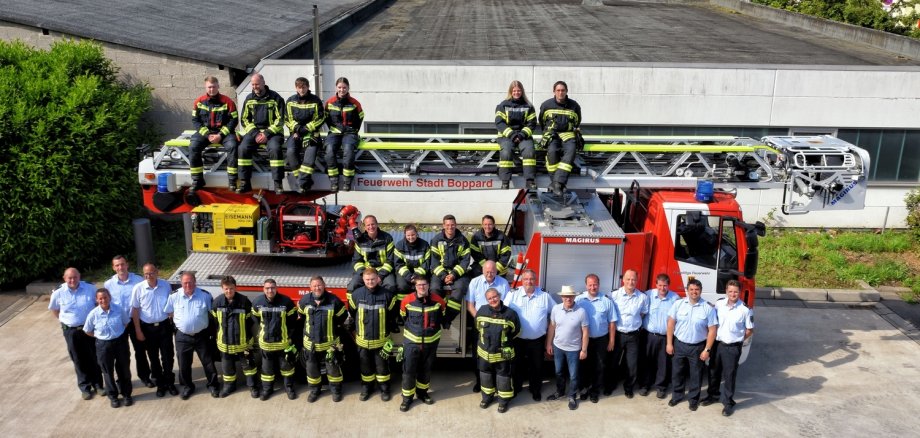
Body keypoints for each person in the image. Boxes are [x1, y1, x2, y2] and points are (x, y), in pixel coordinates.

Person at [701, 280, 754, 417]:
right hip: (717, 345)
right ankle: (713, 395)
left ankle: (728, 402)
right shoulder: (719, 304)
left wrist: (737, 340)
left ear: (739, 292)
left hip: (732, 347)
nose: (733, 294)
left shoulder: (745, 309)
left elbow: (749, 329)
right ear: (726, 291)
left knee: (729, 376)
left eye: (735, 291)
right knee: (713, 371)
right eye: (730, 291)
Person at [49, 267, 102, 400]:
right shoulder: (58, 293)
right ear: (64, 278)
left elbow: (97, 305)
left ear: (79, 277)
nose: (72, 280)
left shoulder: (90, 288)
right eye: (69, 278)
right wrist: (65, 321)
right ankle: (85, 387)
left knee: (94, 356)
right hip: (71, 331)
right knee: (78, 359)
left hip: (89, 329)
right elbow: (55, 310)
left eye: (75, 277)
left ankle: (98, 384)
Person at [165, 271, 220, 400]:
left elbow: (212, 314)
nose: (188, 285)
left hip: (202, 335)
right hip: (182, 336)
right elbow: (169, 312)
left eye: (190, 282)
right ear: (181, 283)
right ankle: (188, 387)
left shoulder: (205, 295)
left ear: (195, 282)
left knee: (208, 362)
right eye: (185, 283)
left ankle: (213, 385)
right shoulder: (174, 296)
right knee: (184, 364)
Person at [347, 267, 398, 401]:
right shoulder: (356, 295)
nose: (370, 282)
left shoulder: (388, 295)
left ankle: (385, 389)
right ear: (363, 280)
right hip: (363, 342)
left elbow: (392, 314)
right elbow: (352, 312)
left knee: (382, 368)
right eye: (368, 279)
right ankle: (366, 388)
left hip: (381, 341)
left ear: (378, 279)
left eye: (373, 279)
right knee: (365, 367)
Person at [666, 278, 718, 412]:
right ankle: (677, 396)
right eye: (691, 289)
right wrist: (669, 343)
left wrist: (707, 349)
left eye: (697, 290)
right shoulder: (678, 304)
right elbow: (671, 324)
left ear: (700, 291)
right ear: (687, 291)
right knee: (677, 372)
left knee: (696, 375)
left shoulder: (708, 308)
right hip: (679, 344)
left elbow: (712, 330)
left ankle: (693, 400)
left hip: (697, 347)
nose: (694, 292)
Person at [505, 269, 554, 401]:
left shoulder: (544, 296)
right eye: (526, 279)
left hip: (537, 340)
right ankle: (516, 387)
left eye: (532, 279)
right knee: (516, 365)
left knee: (537, 366)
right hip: (517, 339)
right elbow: (503, 312)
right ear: (522, 280)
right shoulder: (512, 294)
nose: (529, 281)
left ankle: (535, 389)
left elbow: (555, 315)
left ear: (535, 280)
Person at [398, 277, 446, 412]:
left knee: (426, 370)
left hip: (431, 344)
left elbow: (442, 316)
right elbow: (403, 316)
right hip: (412, 343)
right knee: (409, 371)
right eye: (419, 285)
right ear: (415, 286)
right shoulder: (407, 301)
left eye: (424, 284)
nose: (422, 287)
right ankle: (407, 399)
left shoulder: (438, 301)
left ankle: (422, 393)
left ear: (428, 285)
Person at [130, 263, 178, 397]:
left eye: (151, 273)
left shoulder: (165, 285)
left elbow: (171, 305)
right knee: (153, 358)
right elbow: (135, 310)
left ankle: (170, 383)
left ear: (157, 272)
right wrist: (138, 330)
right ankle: (160, 385)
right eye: (146, 274)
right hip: (148, 329)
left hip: (164, 326)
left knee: (168, 356)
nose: (148, 276)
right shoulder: (138, 288)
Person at [103, 255, 150, 388]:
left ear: (127, 264)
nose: (120, 267)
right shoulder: (108, 284)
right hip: (119, 323)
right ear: (113, 268)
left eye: (122, 264)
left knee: (140, 350)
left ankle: (145, 376)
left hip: (136, 321)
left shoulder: (138, 280)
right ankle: (123, 380)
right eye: (117, 265)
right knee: (121, 354)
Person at [298, 276, 348, 403]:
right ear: (310, 287)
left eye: (319, 285)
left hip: (329, 344)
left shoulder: (334, 300)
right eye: (314, 286)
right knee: (312, 369)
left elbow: (342, 317)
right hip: (311, 344)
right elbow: (302, 317)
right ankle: (315, 390)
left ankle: (336, 391)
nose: (317, 288)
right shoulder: (305, 300)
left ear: (324, 285)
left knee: (333, 369)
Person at [237, 72, 286, 194]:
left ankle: (278, 183)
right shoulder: (249, 99)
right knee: (243, 148)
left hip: (273, 133)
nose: (255, 87)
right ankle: (244, 182)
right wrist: (256, 134)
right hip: (255, 133)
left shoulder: (276, 98)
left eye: (257, 84)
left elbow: (281, 119)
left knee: (275, 149)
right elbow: (244, 119)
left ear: (263, 83)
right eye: (253, 85)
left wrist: (267, 134)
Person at [188, 75, 239, 193]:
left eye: (214, 87)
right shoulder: (198, 102)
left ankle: (232, 181)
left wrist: (220, 135)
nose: (212, 89)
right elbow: (195, 120)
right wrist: (207, 135)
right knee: (193, 147)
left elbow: (234, 120)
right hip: (206, 133)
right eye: (209, 87)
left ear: (218, 86)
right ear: (205, 87)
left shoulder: (228, 102)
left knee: (233, 146)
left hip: (224, 133)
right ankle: (197, 180)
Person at [466, 260, 511, 392]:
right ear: (482, 271)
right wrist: (480, 321)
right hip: (480, 325)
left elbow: (507, 304)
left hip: (498, 325)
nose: (489, 274)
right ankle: (479, 381)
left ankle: (496, 383)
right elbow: (470, 305)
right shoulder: (474, 282)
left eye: (492, 272)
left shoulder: (503, 283)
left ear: (496, 271)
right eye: (487, 272)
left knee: (497, 354)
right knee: (478, 355)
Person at [84, 288, 132, 408]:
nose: (103, 300)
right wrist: (100, 337)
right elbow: (87, 330)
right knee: (107, 372)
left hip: (120, 342)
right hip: (103, 345)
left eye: (105, 297)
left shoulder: (119, 309)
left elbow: (126, 322)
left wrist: (117, 333)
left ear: (109, 297)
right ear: (97, 299)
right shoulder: (93, 314)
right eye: (100, 298)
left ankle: (126, 394)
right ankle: (113, 397)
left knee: (124, 369)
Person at [212, 276, 258, 398]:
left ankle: (252, 386)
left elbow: (250, 321)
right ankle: (229, 386)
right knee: (227, 368)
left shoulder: (244, 302)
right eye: (226, 289)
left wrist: (247, 337)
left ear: (235, 287)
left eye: (231, 288)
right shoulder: (217, 302)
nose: (229, 291)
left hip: (243, 342)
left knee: (249, 366)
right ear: (222, 288)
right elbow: (215, 322)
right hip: (225, 343)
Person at [252, 278, 299, 400]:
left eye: (272, 288)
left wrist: (288, 336)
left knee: (287, 369)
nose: (270, 290)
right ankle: (267, 390)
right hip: (266, 344)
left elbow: (292, 320)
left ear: (276, 288)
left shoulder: (286, 301)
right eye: (267, 288)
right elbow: (256, 319)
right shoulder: (257, 302)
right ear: (263, 289)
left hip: (282, 343)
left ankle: (289, 388)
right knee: (267, 371)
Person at [476, 287, 520, 413]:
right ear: (486, 300)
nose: (493, 300)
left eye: (495, 297)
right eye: (490, 298)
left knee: (504, 377)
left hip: (504, 352)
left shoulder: (510, 314)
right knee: (485, 376)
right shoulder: (482, 310)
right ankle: (487, 398)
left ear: (499, 296)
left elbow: (516, 331)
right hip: (485, 352)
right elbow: (477, 326)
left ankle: (503, 401)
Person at [574, 273, 617, 404]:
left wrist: (611, 341)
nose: (593, 287)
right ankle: (583, 390)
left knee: (599, 366)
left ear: (599, 284)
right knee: (583, 366)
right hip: (584, 340)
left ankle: (595, 391)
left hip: (600, 340)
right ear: (586, 285)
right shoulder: (579, 300)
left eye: (595, 284)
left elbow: (612, 322)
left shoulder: (606, 301)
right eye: (590, 285)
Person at [606, 269, 649, 398]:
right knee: (612, 362)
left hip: (633, 335)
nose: (631, 282)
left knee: (632, 364)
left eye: (634, 279)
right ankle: (610, 385)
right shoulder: (613, 295)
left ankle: (629, 387)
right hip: (617, 334)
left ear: (637, 281)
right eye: (628, 279)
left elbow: (643, 313)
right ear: (623, 280)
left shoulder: (643, 297)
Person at [546, 286, 588, 411]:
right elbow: (552, 327)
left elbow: (585, 332)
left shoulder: (581, 311)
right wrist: (548, 344)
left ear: (574, 296)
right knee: (558, 372)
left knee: (574, 375)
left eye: (570, 296)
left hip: (574, 349)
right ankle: (560, 392)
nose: (568, 298)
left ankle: (572, 396)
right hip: (558, 347)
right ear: (561, 297)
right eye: (565, 296)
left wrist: (584, 349)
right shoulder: (556, 309)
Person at [538, 80, 582, 196]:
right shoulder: (546, 105)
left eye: (563, 90)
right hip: (552, 134)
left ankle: (557, 183)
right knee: (552, 152)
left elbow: (577, 121)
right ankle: (558, 183)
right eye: (558, 90)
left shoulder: (574, 105)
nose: (560, 93)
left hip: (568, 134)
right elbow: (542, 122)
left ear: (566, 91)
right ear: (554, 91)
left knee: (571, 152)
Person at [640, 273, 680, 399]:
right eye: (660, 285)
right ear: (656, 285)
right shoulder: (648, 295)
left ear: (669, 286)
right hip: (649, 335)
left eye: (665, 286)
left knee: (663, 363)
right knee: (647, 361)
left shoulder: (675, 298)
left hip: (665, 337)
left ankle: (661, 387)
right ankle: (645, 385)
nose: (662, 288)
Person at [284, 77, 326, 193]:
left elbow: (320, 118)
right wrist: (296, 129)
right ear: (296, 88)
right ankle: (303, 180)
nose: (301, 90)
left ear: (308, 87)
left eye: (303, 87)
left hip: (312, 133)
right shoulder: (290, 101)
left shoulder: (315, 101)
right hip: (296, 133)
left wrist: (305, 129)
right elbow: (287, 119)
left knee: (310, 154)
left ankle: (301, 183)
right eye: (299, 87)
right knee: (291, 152)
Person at [430, 214, 472, 328]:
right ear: (443, 225)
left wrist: (453, 275)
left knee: (460, 290)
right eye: (447, 225)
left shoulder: (463, 241)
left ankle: (447, 318)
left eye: (452, 225)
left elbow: (465, 262)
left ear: (456, 225)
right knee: (434, 288)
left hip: (457, 273)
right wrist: (444, 276)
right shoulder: (436, 240)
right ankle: (437, 316)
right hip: (440, 272)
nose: (450, 227)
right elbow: (434, 262)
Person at [495, 80, 537, 190]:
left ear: (522, 91)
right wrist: (513, 135)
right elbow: (500, 123)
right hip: (506, 135)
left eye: (518, 90)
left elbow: (532, 124)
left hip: (524, 136)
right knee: (506, 152)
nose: (516, 92)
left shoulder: (529, 106)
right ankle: (505, 181)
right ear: (510, 91)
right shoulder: (502, 105)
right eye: (514, 91)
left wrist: (521, 135)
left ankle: (529, 180)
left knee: (529, 151)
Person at [324, 77, 364, 192]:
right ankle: (334, 180)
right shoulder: (330, 102)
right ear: (336, 88)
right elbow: (326, 118)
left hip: (350, 133)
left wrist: (353, 130)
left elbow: (360, 118)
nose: (342, 90)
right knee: (329, 150)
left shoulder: (355, 103)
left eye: (344, 87)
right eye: (340, 87)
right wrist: (334, 128)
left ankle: (347, 180)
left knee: (348, 151)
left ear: (348, 88)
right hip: (334, 132)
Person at [349, 214, 396, 293]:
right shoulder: (360, 240)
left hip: (383, 270)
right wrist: (364, 275)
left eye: (373, 224)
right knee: (352, 286)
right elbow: (356, 261)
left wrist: (380, 276)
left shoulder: (387, 238)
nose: (371, 227)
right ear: (364, 227)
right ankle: (353, 305)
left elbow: (390, 260)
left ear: (377, 224)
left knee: (391, 286)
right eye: (368, 225)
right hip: (366, 271)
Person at [393, 224, 431, 302]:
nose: (411, 237)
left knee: (423, 286)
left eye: (413, 235)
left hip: (421, 273)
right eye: (408, 235)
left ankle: (419, 304)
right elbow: (398, 264)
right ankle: (402, 306)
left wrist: (416, 275)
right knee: (402, 286)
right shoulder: (399, 246)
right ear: (405, 235)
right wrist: (408, 276)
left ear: (417, 233)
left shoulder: (425, 245)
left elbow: (427, 263)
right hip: (405, 273)